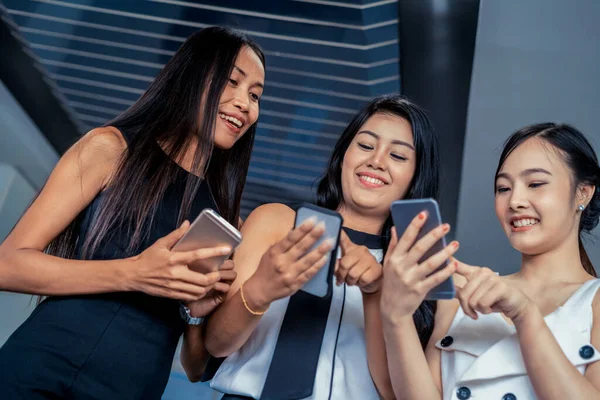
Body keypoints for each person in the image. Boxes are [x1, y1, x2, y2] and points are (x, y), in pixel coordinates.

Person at [0, 27, 265, 399]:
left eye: (255, 95)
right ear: (191, 77)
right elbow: (8, 265)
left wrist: (196, 312)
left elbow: (195, 368)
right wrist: (134, 273)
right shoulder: (111, 148)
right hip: (41, 369)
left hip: (134, 387)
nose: (244, 103)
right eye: (231, 82)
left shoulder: (227, 223)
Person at [196, 94, 441, 399]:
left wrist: (375, 291)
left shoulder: (418, 270)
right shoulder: (275, 222)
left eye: (398, 156)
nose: (376, 161)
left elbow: (395, 393)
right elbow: (216, 345)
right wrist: (262, 288)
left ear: (417, 175)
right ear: (344, 155)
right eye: (365, 145)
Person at [381, 122, 600, 399]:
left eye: (535, 184)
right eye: (503, 188)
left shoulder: (594, 302)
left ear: (583, 192)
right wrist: (395, 316)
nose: (515, 201)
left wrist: (525, 315)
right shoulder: (461, 292)